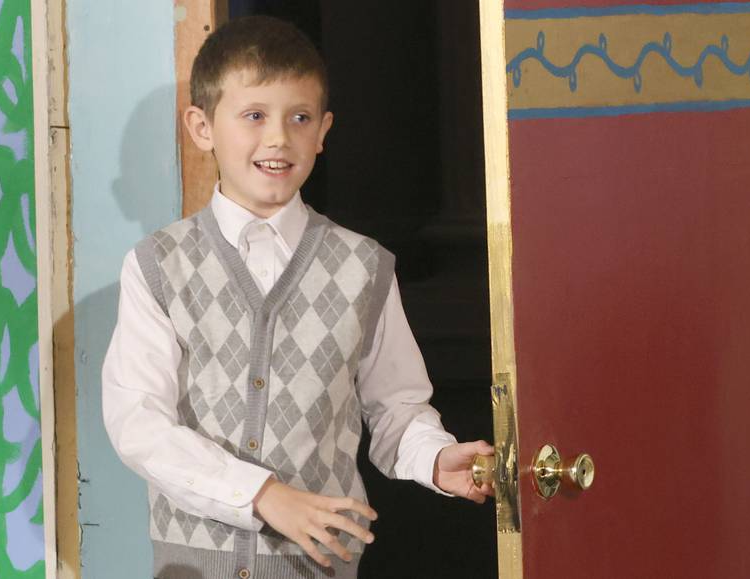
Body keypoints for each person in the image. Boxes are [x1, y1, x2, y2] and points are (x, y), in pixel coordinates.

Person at [102, 14, 494, 579]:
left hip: (316, 568)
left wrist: (435, 458)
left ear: (323, 130)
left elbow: (396, 410)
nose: (278, 138)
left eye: (300, 117)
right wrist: (261, 494)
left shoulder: (365, 267)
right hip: (191, 567)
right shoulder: (158, 265)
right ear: (202, 126)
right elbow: (139, 423)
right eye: (254, 116)